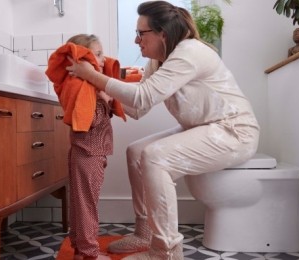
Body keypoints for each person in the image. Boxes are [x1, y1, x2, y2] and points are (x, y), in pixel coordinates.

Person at [65, 1, 260, 259]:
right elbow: (137, 109)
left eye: (140, 33)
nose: (136, 41)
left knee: (155, 156)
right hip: (206, 128)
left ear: (162, 34)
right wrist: (104, 95)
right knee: (136, 152)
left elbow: (142, 97)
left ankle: (165, 251)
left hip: (234, 130)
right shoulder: (158, 62)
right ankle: (144, 233)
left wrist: (93, 76)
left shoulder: (189, 52)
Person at [47, 34, 126, 260]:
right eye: (97, 54)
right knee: (86, 206)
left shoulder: (86, 85)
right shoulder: (83, 87)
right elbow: (87, 121)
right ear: (82, 58)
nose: (103, 60)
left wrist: (103, 95)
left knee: (80, 203)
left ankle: (80, 249)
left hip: (87, 152)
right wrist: (105, 98)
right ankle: (89, 253)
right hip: (88, 153)